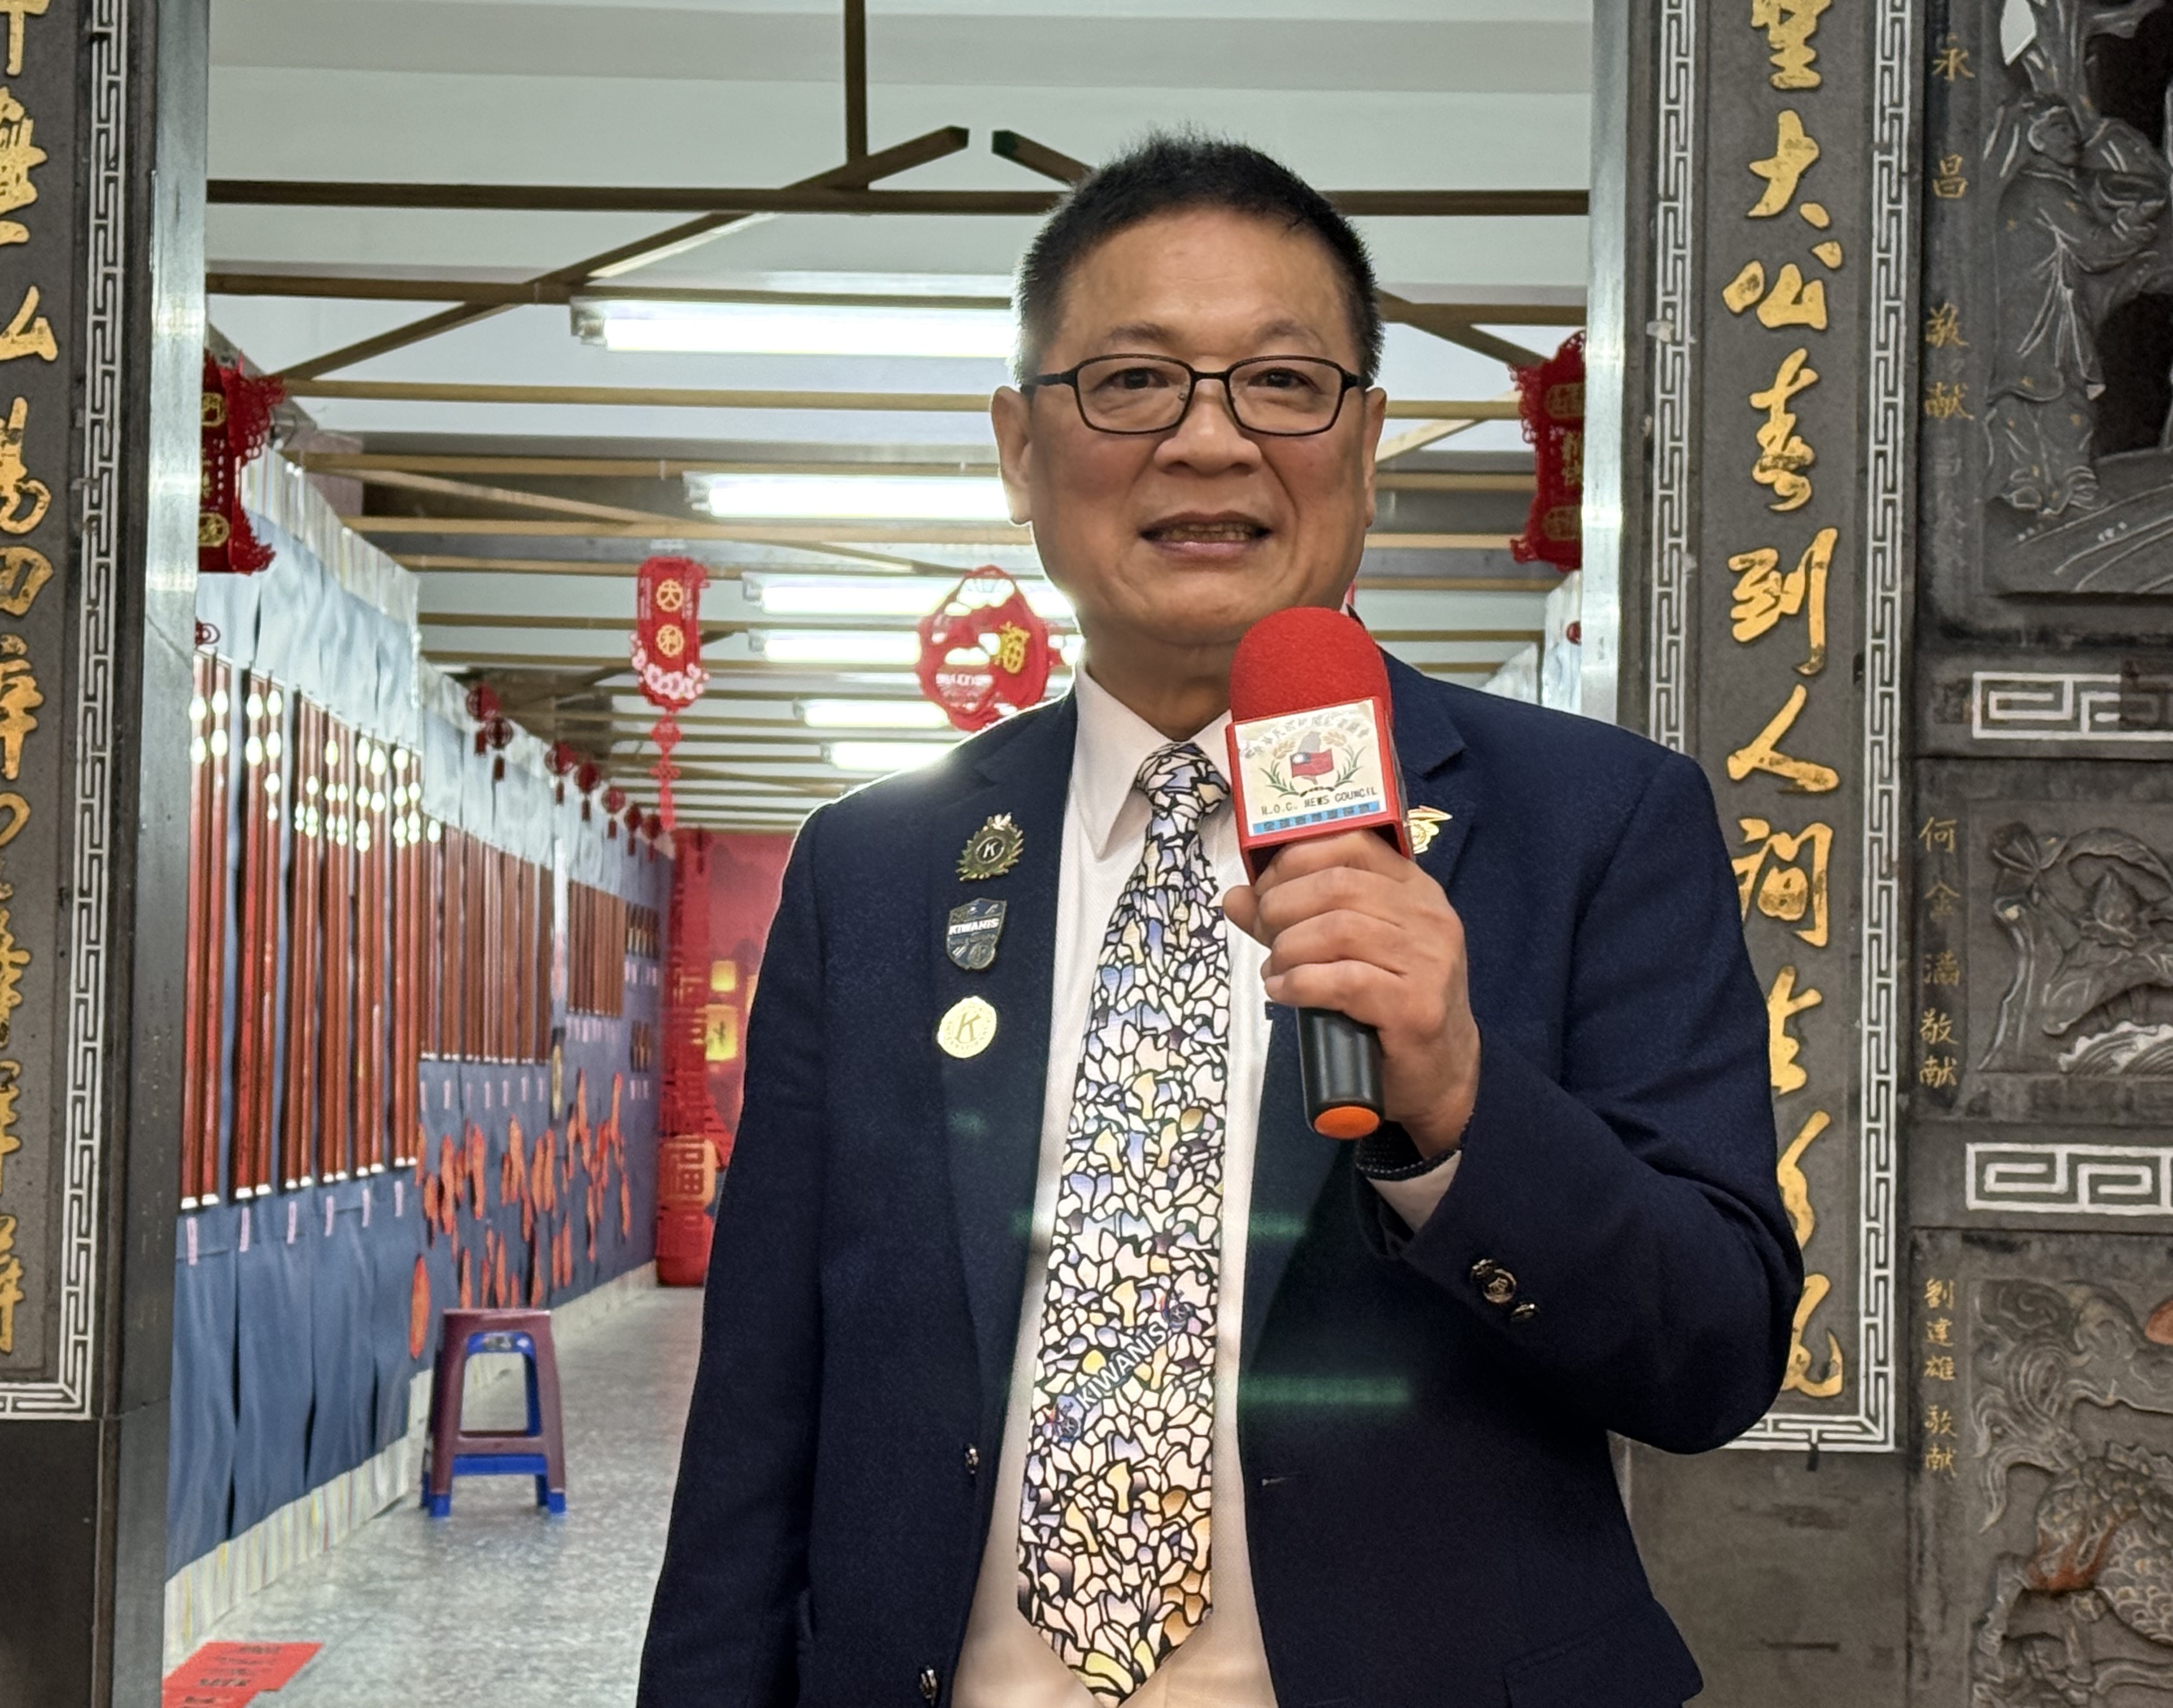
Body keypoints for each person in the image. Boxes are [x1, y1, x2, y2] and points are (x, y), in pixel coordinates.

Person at [639, 133, 1800, 1708]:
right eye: (1131, 382)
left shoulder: (1597, 821)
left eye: (1282, 383)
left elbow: (1714, 1355)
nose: (1207, 441)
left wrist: (1465, 1108)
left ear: (1368, 442)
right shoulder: (877, 867)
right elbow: (759, 1412)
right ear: (1020, 447)